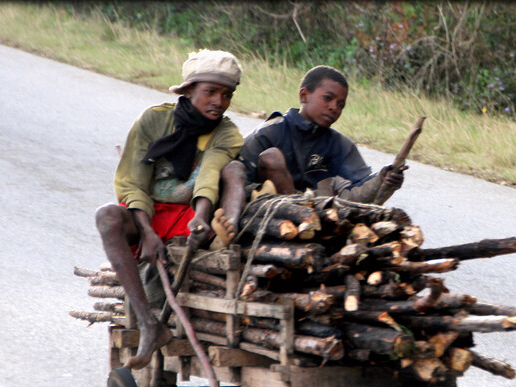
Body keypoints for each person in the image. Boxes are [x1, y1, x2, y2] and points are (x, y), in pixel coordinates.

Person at [95, 49, 246, 370]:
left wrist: (202, 219)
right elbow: (132, 181)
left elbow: (210, 174)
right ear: (189, 90)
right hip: (145, 214)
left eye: (227, 94)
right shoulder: (153, 120)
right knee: (106, 216)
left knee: (228, 176)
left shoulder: (227, 132)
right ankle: (149, 324)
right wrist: (147, 232)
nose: (219, 101)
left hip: (189, 214)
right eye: (210, 92)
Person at [221, 65, 407, 203]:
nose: (334, 107)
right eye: (328, 98)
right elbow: (236, 180)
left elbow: (358, 191)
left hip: (317, 220)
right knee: (272, 158)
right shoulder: (270, 132)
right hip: (268, 212)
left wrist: (384, 180)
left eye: (341, 105)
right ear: (304, 95)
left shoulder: (339, 145)